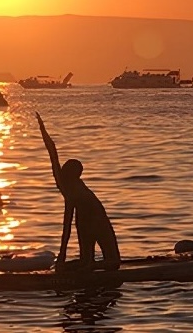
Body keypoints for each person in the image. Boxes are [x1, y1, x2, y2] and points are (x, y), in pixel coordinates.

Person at [37, 113, 120, 273]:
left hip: (96, 219)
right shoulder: (67, 186)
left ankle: (87, 265)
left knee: (110, 262)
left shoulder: (72, 190)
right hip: (85, 222)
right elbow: (52, 152)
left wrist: (62, 255)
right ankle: (86, 265)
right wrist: (42, 128)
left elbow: (67, 226)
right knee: (98, 261)